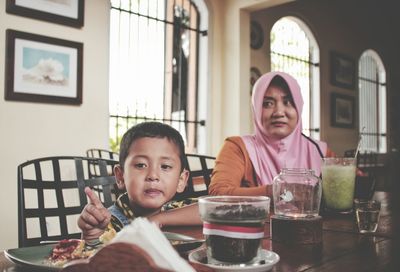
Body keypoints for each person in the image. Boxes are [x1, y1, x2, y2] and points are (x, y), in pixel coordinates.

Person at [209, 71, 334, 197]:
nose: (279, 112)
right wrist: (277, 191)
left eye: (288, 102)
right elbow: (218, 193)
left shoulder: (320, 152)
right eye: (268, 104)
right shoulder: (239, 148)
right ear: (256, 109)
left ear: (299, 107)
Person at [78, 122, 202, 242]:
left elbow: (218, 209)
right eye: (141, 165)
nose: (153, 175)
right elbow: (91, 259)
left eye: (165, 166)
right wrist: (92, 237)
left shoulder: (179, 208)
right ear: (121, 176)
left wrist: (157, 219)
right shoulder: (108, 223)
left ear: (181, 180)